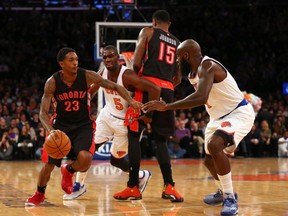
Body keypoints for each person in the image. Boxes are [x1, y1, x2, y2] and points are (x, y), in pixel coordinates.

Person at [143, 39, 255, 215]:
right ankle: (222, 191)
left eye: (179, 58)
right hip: (218, 117)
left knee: (214, 145)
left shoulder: (208, 66)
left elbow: (201, 97)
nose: (178, 62)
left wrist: (166, 106)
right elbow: (177, 80)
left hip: (238, 113)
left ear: (186, 56)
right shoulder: (192, 73)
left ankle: (230, 198)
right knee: (209, 161)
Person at [25, 47, 141, 206]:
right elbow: (43, 112)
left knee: (86, 159)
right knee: (49, 165)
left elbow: (115, 86)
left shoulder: (86, 75)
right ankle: (39, 193)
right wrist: (51, 131)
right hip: (60, 125)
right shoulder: (52, 82)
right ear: (61, 63)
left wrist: (132, 100)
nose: (75, 63)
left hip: (83, 125)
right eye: (71, 60)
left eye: (76, 59)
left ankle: (69, 170)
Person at [63, 45, 161, 200]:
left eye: (110, 56)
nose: (107, 59)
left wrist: (149, 116)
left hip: (124, 123)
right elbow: (93, 88)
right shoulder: (103, 72)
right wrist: (83, 102)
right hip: (106, 117)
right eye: (105, 57)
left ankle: (141, 175)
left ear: (118, 57)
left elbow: (155, 89)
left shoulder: (127, 76)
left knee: (116, 160)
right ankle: (79, 185)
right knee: (88, 150)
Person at [114, 9, 184, 202]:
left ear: (154, 22)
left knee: (134, 134)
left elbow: (136, 62)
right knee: (161, 140)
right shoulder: (178, 44)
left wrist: (138, 82)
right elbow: (179, 77)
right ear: (169, 24)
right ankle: (169, 186)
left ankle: (133, 187)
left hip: (146, 87)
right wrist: (166, 86)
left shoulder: (148, 32)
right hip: (168, 92)